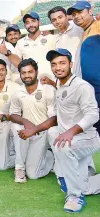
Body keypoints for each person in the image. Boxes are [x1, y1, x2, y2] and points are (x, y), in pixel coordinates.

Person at [46, 48, 100, 213]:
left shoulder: (82, 86)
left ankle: (75, 196)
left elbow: (93, 114)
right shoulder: (61, 85)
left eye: (62, 63)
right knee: (53, 133)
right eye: (54, 64)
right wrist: (51, 83)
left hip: (87, 139)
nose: (58, 67)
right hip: (72, 139)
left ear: (71, 64)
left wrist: (71, 131)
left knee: (62, 145)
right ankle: (73, 182)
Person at [9, 58, 56, 183]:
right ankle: (19, 168)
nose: (27, 75)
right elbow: (13, 115)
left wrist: (35, 129)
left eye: (30, 72)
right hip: (27, 133)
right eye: (23, 73)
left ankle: (50, 157)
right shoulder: (18, 93)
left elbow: (54, 118)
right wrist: (25, 121)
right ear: (20, 75)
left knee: (33, 175)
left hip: (43, 133)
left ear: (36, 72)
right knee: (16, 127)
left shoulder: (48, 90)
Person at [67, 1, 100, 134]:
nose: (76, 16)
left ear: (90, 11)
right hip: (93, 91)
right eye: (74, 14)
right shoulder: (85, 32)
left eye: (80, 12)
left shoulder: (97, 25)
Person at [15, 12, 56, 80]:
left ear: (39, 22)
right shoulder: (20, 42)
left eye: (33, 21)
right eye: (27, 22)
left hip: (51, 79)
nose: (31, 25)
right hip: (31, 82)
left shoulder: (51, 38)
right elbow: (17, 62)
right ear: (25, 25)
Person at [48, 6, 83, 79]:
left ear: (67, 16)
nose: (57, 21)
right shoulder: (55, 40)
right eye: (54, 20)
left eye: (60, 17)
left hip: (85, 79)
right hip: (68, 82)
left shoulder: (79, 28)